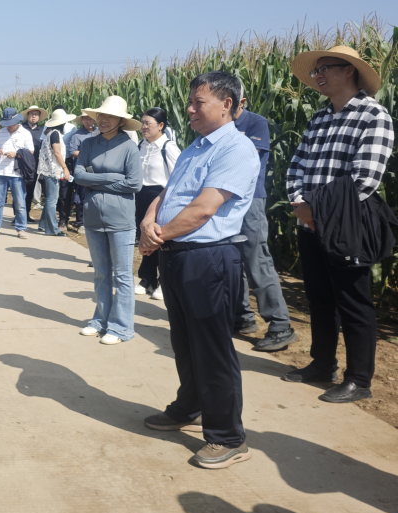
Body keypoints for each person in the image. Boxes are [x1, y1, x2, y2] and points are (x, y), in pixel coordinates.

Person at [140, 71, 259, 469]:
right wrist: (150, 220)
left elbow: (204, 209)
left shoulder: (235, 149)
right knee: (185, 341)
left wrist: (156, 238)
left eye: (198, 103)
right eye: (190, 102)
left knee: (212, 348)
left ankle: (227, 437)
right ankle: (189, 406)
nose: (189, 109)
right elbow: (168, 192)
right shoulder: (196, 146)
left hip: (208, 258)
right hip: (178, 254)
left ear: (226, 105)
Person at [283, 45, 394, 403]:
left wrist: (315, 210)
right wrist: (299, 203)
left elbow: (365, 178)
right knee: (319, 298)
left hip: (346, 224)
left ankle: (359, 380)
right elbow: (296, 166)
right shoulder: (319, 118)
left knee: (353, 302)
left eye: (324, 68)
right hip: (308, 222)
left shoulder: (373, 115)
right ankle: (322, 364)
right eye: (316, 71)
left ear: (348, 70)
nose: (317, 76)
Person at [230, 81, 297, 351]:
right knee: (232, 259)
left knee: (256, 259)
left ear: (241, 102)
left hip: (249, 199)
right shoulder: (217, 124)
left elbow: (245, 158)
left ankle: (280, 325)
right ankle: (242, 317)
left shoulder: (255, 123)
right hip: (222, 200)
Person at [72, 96, 143, 344]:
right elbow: (78, 175)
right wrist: (112, 178)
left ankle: (121, 327)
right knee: (101, 273)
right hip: (93, 217)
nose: (104, 120)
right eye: (101, 115)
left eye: (111, 116)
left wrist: (95, 180)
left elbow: (134, 184)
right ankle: (100, 320)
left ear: (121, 121)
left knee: (122, 275)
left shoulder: (129, 147)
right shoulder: (89, 144)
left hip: (121, 220)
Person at [135, 108, 180, 301]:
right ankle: (147, 279)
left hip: (160, 197)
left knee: (160, 240)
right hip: (141, 195)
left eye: (148, 123)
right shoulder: (140, 145)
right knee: (145, 237)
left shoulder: (168, 147)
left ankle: (164, 282)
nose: (144, 127)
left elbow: (178, 177)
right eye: (143, 123)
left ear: (161, 126)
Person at [0, 107, 35, 239]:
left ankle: (21, 228)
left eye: (11, 124)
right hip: (1, 172)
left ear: (17, 121)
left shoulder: (25, 133)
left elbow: (31, 152)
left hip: (17, 173)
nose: (9, 127)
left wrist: (16, 154)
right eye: (7, 124)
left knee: (20, 203)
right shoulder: (1, 133)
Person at [36, 108, 75, 237]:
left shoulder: (49, 133)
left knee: (50, 199)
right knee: (52, 200)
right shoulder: (55, 134)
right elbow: (57, 153)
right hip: (52, 171)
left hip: (47, 170)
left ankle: (43, 224)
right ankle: (52, 229)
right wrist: (65, 168)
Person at [66, 112, 99, 234]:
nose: (89, 122)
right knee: (81, 195)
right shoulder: (77, 135)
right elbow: (72, 152)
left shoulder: (99, 132)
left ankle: (93, 221)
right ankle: (81, 223)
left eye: (91, 119)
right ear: (82, 121)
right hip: (82, 168)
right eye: (86, 119)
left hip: (97, 169)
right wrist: (88, 154)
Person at [22, 105, 47, 223]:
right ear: (27, 115)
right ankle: (18, 216)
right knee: (19, 189)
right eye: (32, 114)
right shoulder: (21, 128)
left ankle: (26, 214)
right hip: (21, 164)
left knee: (30, 190)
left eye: (36, 114)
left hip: (35, 164)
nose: (34, 116)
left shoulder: (42, 130)